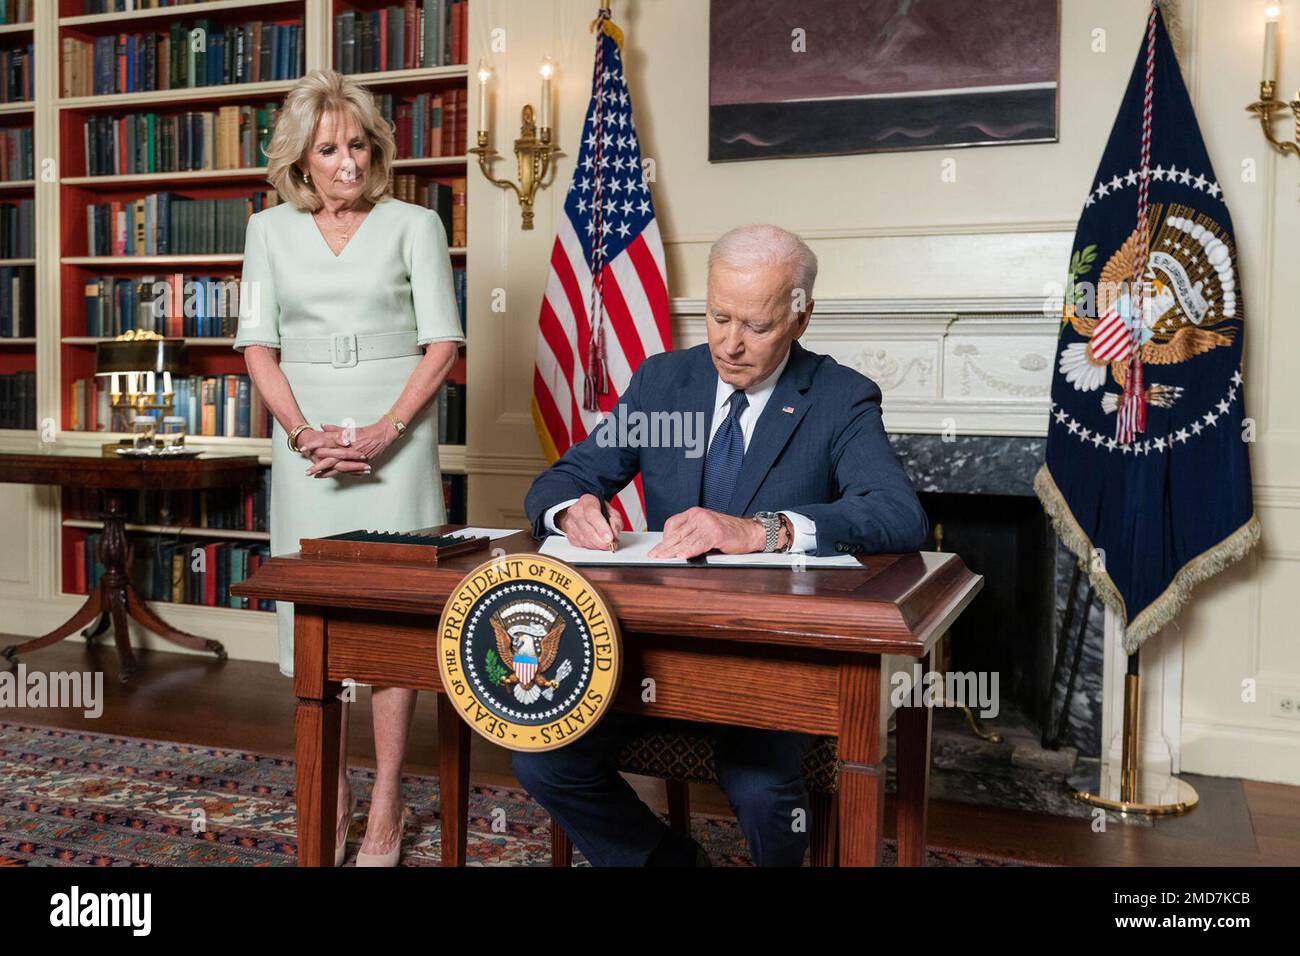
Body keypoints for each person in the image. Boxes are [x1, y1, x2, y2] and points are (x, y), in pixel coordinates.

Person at [517, 223, 928, 866]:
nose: (730, 345)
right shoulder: (664, 384)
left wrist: (763, 530)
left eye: (756, 327)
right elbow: (563, 480)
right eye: (718, 317)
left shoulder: (838, 396)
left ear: (800, 318)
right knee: (540, 755)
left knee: (762, 786)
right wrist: (574, 509)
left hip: (772, 661)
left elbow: (898, 514)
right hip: (654, 650)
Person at [233, 68, 465, 866]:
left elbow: (443, 344)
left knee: (389, 625)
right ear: (299, 162)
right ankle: (327, 801)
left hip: (394, 443)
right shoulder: (268, 232)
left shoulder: (415, 224)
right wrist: (301, 434)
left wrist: (384, 431)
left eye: (358, 145)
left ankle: (389, 803)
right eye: (328, 149)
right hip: (306, 450)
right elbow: (257, 347)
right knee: (319, 627)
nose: (347, 163)